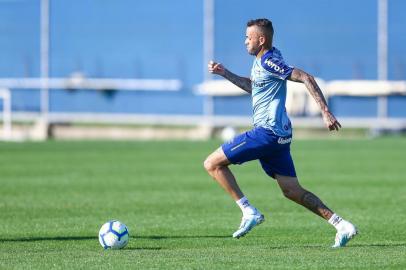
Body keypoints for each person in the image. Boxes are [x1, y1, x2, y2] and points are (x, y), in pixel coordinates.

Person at [203, 18, 357, 248]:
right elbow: (254, 87)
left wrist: (326, 112)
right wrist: (225, 73)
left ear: (261, 39)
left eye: (248, 37)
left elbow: (306, 77)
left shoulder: (269, 61)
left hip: (267, 133)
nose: (245, 41)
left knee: (212, 164)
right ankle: (340, 224)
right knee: (292, 190)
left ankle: (248, 211)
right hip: (280, 137)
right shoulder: (267, 59)